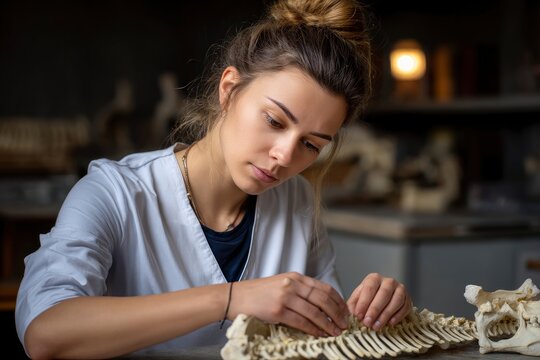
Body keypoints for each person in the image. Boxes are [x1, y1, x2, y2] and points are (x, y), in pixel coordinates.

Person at [15, 0, 412, 358]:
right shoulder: (114, 194)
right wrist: (229, 299)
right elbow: (46, 333)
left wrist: (380, 314)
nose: (285, 156)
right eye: (274, 121)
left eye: (311, 144)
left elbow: (330, 338)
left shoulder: (296, 201)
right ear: (229, 90)